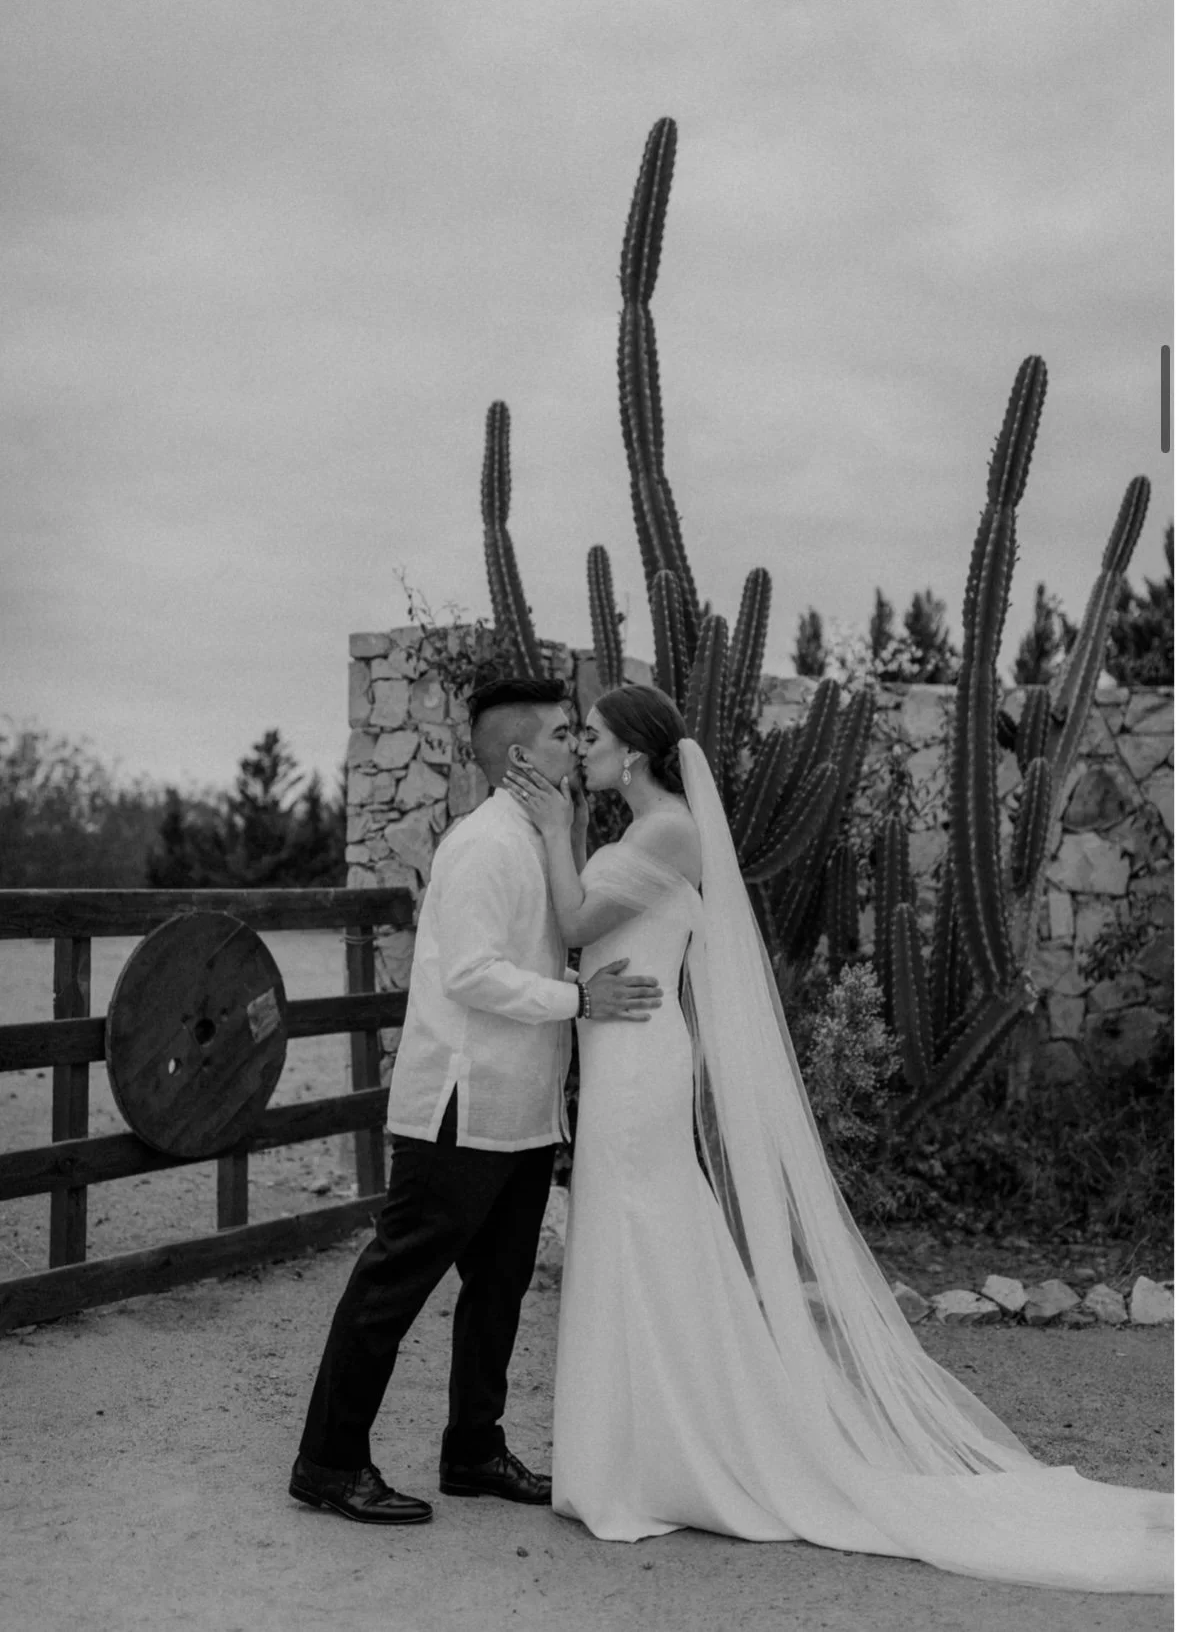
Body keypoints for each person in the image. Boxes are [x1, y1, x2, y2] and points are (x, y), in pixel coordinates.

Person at [500, 681, 1172, 1594]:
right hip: (621, 1049)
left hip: (636, 1061)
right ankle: (638, 1447)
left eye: (597, 739)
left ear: (636, 755)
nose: (582, 750)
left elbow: (577, 923)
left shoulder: (666, 833)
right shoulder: (640, 833)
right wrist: (564, 835)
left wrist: (548, 830)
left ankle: (659, 1455)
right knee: (641, 1238)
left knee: (638, 1232)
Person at [290, 677, 663, 1525]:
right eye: (568, 732)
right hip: (461, 1106)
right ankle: (327, 1461)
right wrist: (578, 998)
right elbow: (468, 972)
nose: (581, 741)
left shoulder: (542, 837)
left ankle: (473, 1449)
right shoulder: (484, 844)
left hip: (526, 1111)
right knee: (393, 1285)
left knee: (499, 1288)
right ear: (524, 754)